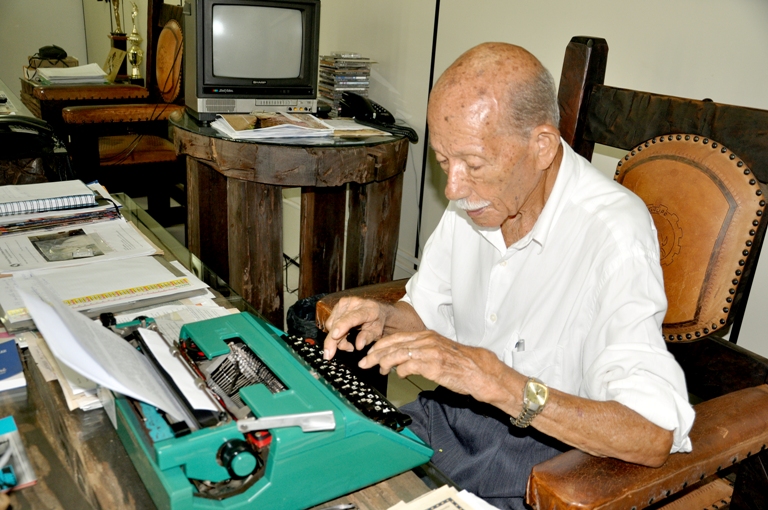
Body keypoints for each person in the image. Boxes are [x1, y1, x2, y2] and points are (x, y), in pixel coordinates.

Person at [323, 42, 695, 510]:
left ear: (541, 145)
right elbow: (425, 313)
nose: (454, 188)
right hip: (449, 422)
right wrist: (384, 317)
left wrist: (495, 381)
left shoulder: (613, 233)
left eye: (474, 165)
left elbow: (651, 434)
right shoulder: (477, 201)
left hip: (549, 462)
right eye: (444, 162)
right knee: (319, 478)